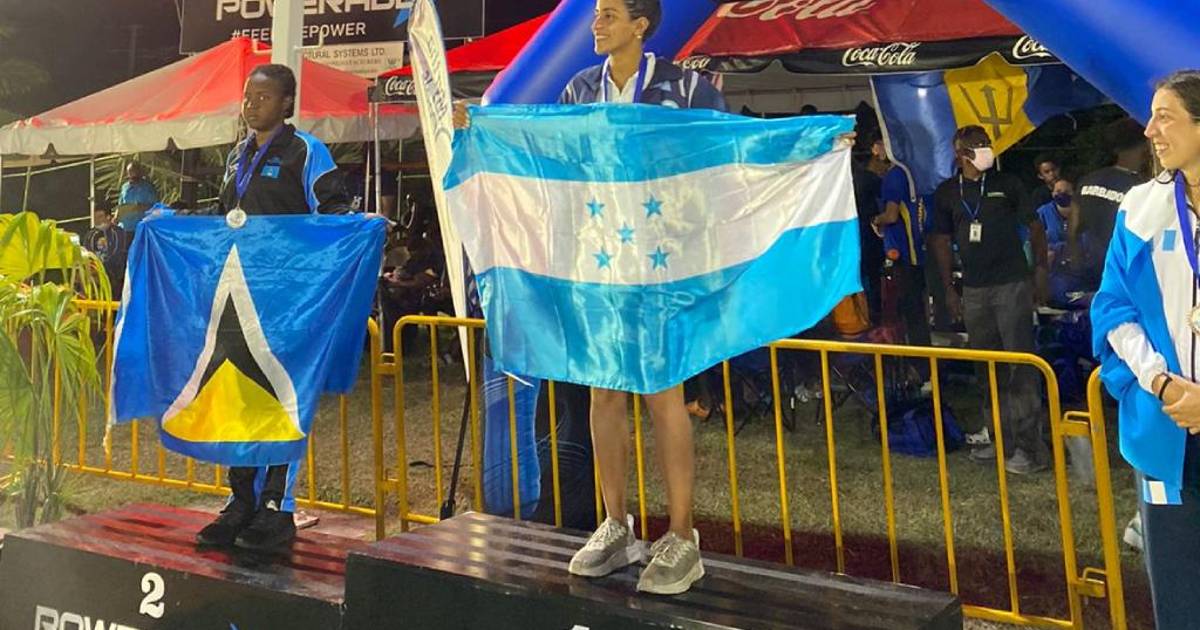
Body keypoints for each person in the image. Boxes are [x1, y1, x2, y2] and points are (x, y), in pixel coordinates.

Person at [454, 0, 726, 595]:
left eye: (608, 15)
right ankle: (616, 524)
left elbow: (729, 149)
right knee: (604, 391)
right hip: (600, 263)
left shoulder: (685, 89)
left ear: (640, 25)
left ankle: (683, 536)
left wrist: (815, 141)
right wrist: (484, 127)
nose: (596, 24)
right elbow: (545, 147)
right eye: (596, 14)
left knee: (662, 393)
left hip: (661, 265)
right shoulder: (580, 89)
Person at [194, 63, 354, 551]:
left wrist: (360, 230)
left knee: (282, 394)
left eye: (263, 97)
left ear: (287, 103)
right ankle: (240, 501)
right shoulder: (236, 156)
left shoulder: (306, 151)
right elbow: (225, 218)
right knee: (238, 396)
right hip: (238, 296)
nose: (251, 105)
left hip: (287, 301)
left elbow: (334, 215)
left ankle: (276, 508)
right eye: (247, 96)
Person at [1092, 70, 1200, 630]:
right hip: (1165, 425)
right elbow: (1113, 308)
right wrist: (1161, 382)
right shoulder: (1140, 208)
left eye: (1165, 117)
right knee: (1178, 590)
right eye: (1151, 115)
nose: (1150, 130)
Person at [929, 125, 1050, 474]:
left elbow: (1035, 227)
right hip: (974, 289)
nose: (985, 149)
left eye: (986, 143)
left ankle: (1030, 449)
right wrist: (949, 289)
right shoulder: (948, 192)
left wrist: (1040, 270)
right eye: (976, 145)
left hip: (1011, 284)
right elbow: (940, 240)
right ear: (960, 154)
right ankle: (1000, 440)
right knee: (987, 367)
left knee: (1019, 365)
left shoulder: (1007, 184)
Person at [1070, 118, 1150, 282]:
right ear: (1144, 146)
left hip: (1090, 271)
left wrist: (1075, 263)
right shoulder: (1141, 188)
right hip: (1125, 273)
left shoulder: (1087, 180)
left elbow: (1073, 228)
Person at [872, 158, 932, 350]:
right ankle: (926, 357)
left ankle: (918, 360)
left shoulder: (895, 175)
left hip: (904, 253)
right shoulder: (917, 170)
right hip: (920, 248)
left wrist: (875, 220)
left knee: (910, 311)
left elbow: (891, 215)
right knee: (920, 310)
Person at [81, 205, 129, 296]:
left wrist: (103, 268)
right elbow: (86, 253)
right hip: (94, 275)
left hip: (114, 276)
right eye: (95, 217)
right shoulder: (90, 235)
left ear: (108, 217)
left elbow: (118, 254)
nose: (97, 220)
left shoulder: (118, 233)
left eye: (100, 217)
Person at [116, 162, 160, 230]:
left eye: (134, 171)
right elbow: (120, 206)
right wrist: (115, 217)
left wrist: (141, 207)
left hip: (141, 227)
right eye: (130, 171)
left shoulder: (148, 187)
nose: (132, 174)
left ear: (139, 172)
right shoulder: (124, 187)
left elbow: (156, 207)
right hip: (125, 227)